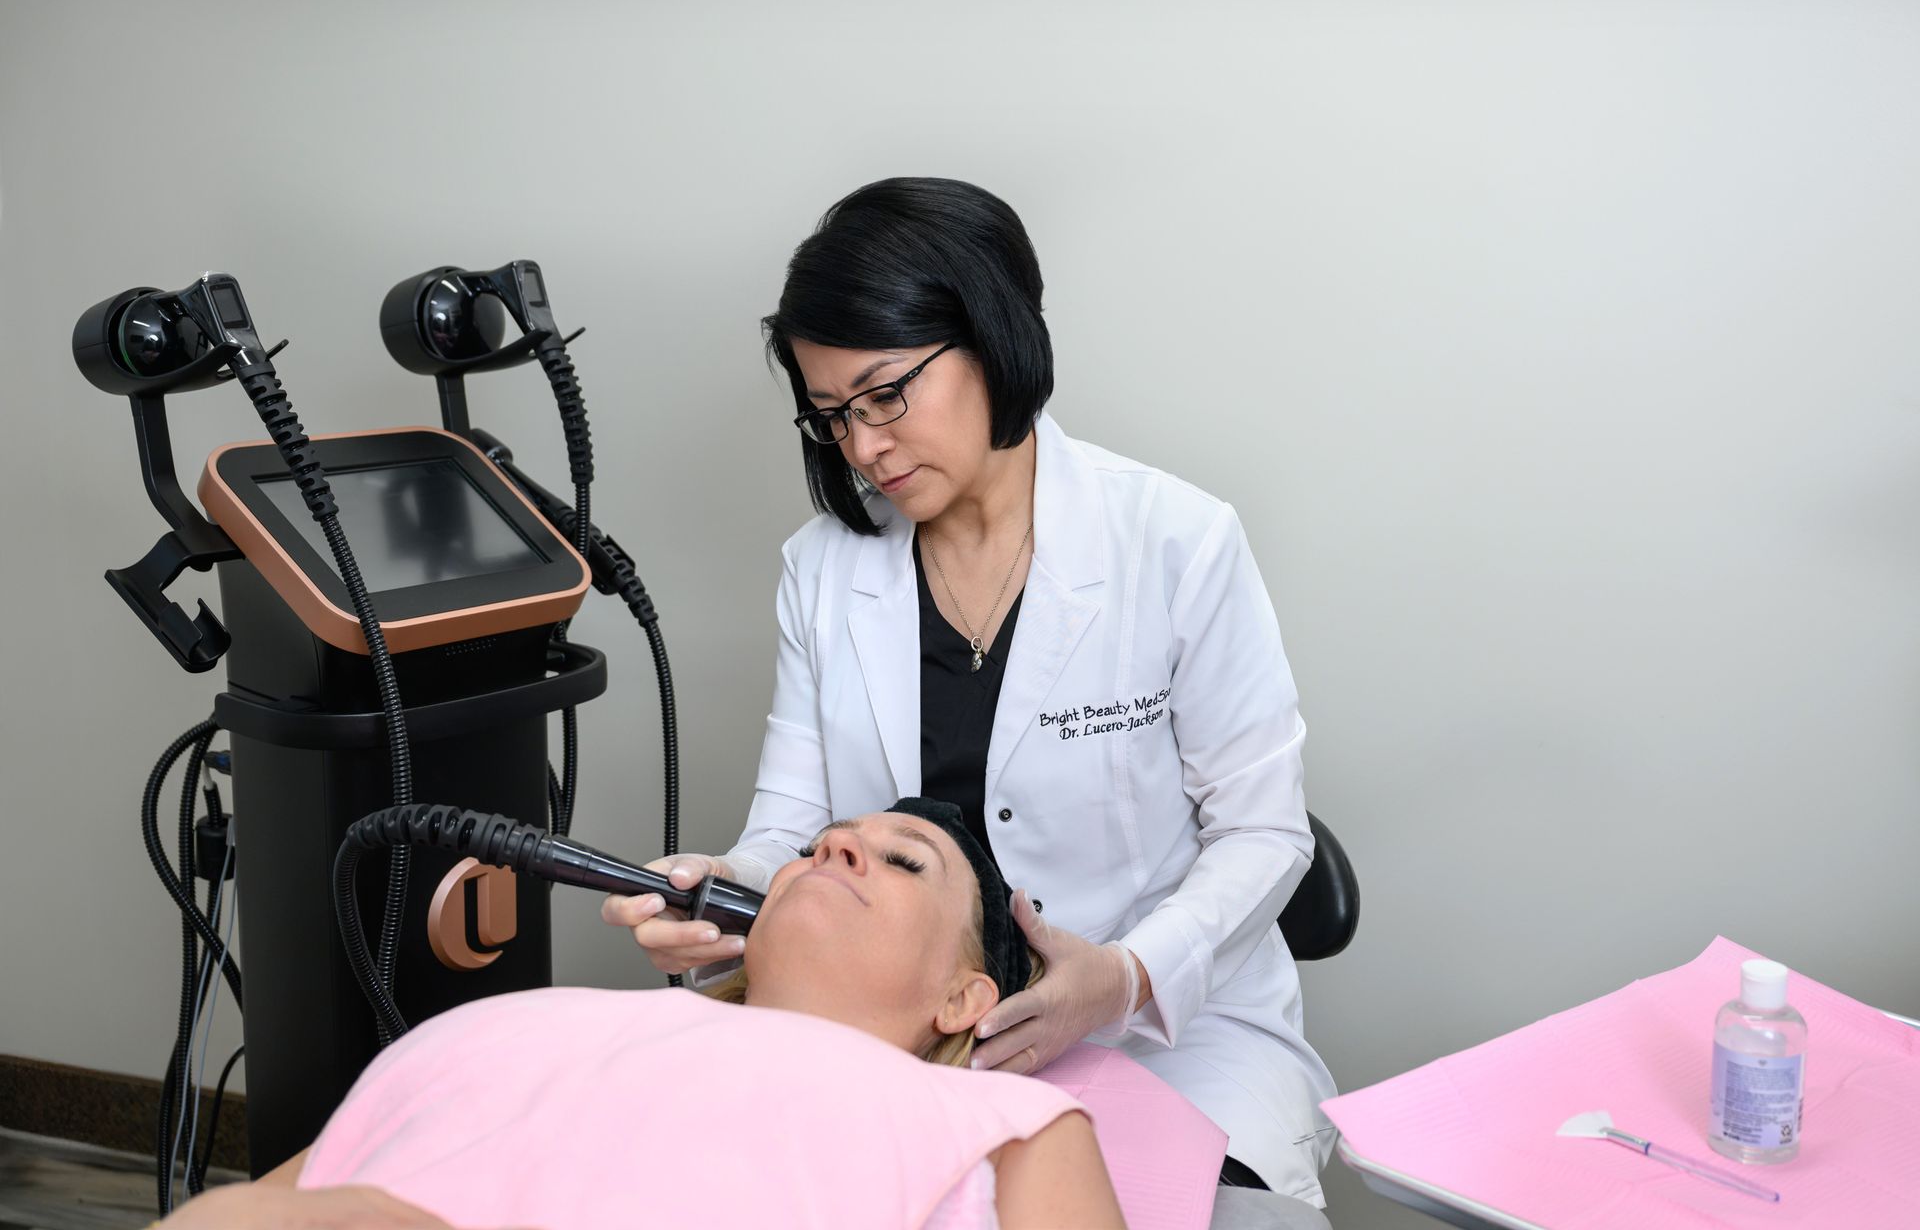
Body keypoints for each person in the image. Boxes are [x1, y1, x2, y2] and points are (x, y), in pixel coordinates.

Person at [604, 177, 1337, 1205]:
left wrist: (1125, 977)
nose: (864, 447)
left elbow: (1265, 833)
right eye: (832, 417)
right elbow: (789, 830)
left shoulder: (1175, 542)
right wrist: (725, 890)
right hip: (910, 1044)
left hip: (1169, 1046)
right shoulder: (821, 571)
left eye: (885, 395)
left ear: (993, 338)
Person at [155, 801, 1125, 1230]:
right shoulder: (514, 1021)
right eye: (818, 844)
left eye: (904, 859)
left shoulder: (1001, 1120)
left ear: (965, 998)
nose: (834, 847)